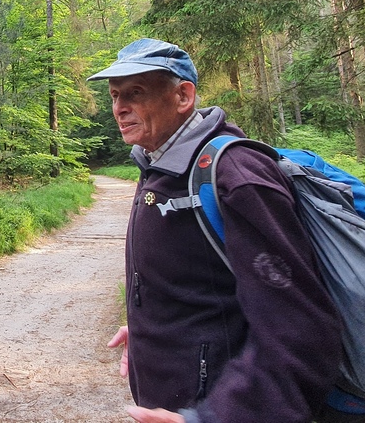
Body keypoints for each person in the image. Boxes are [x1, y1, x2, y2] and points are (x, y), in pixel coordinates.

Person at [88, 39, 345, 423]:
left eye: (135, 93)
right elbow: (205, 283)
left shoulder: (235, 176)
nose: (119, 108)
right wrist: (152, 324)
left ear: (183, 96)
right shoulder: (160, 167)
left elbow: (298, 327)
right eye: (114, 95)